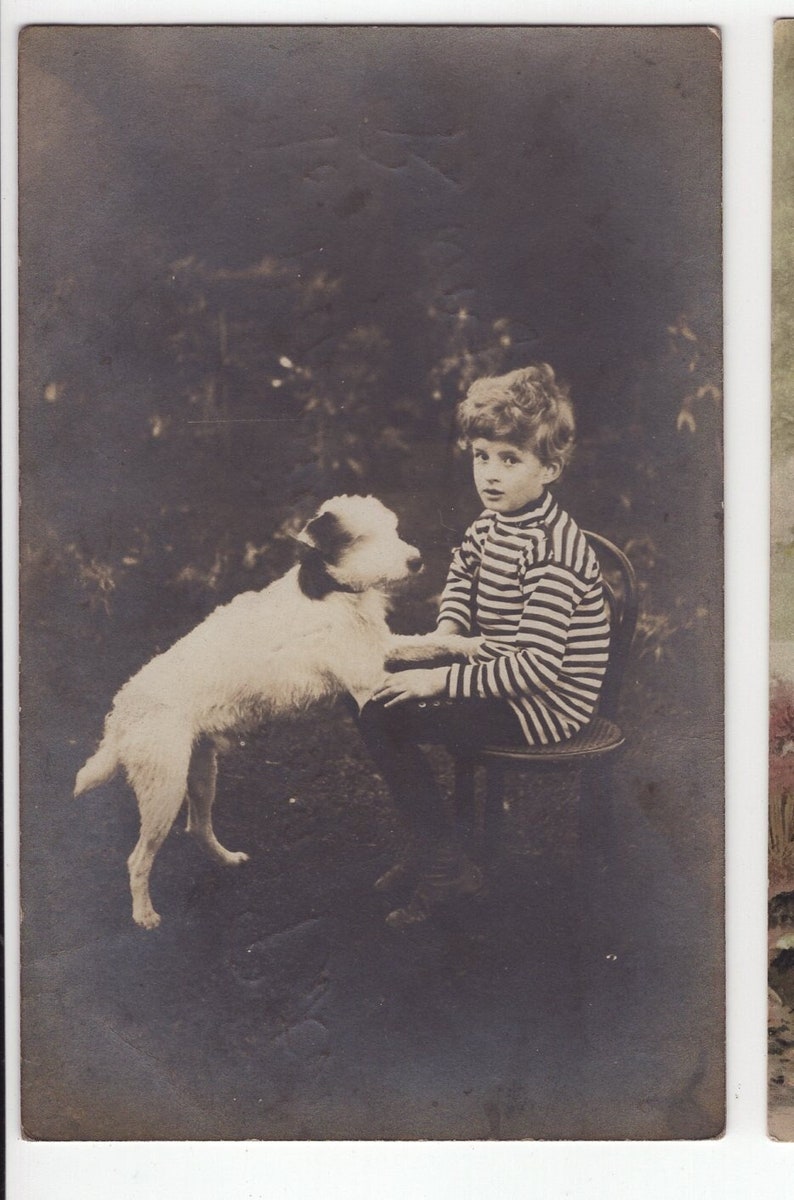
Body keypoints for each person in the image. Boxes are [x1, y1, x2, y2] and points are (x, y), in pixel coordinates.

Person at [359, 363, 611, 929]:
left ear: (549, 467)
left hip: (545, 702)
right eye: (481, 456)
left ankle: (444, 870)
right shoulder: (490, 526)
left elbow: (538, 667)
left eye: (510, 459)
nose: (490, 474)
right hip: (499, 672)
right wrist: (445, 639)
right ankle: (437, 850)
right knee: (369, 697)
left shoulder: (552, 550)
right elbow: (461, 584)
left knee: (386, 715)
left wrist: (438, 679)